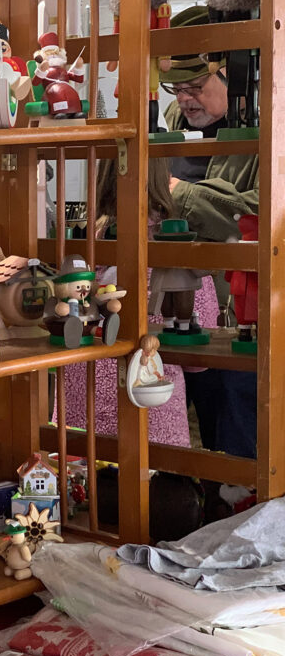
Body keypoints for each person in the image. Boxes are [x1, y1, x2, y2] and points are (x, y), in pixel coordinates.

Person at [61, 158, 219, 449]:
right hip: (152, 412)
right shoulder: (176, 242)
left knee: (83, 487)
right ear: (165, 179)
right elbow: (199, 355)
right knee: (152, 487)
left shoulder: (83, 242)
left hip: (80, 409)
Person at [159, 6, 259, 458]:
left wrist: (180, 194)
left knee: (238, 443)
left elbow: (255, 218)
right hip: (173, 313)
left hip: (239, 317)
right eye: (177, 89)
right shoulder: (171, 126)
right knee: (180, 438)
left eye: (196, 87)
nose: (185, 99)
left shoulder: (266, 132)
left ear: (230, 77)